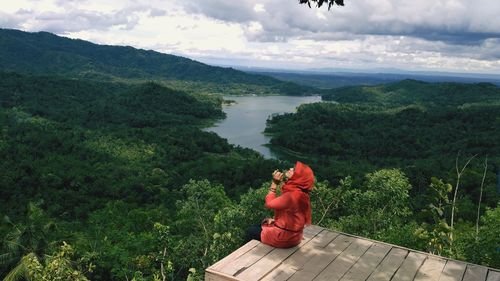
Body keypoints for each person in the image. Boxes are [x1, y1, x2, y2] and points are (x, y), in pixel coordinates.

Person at [245, 161, 314, 248]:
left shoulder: (292, 196)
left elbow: (269, 204)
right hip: (295, 237)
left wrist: (274, 184)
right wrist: (276, 221)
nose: (291, 169)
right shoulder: (303, 194)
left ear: (299, 177)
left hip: (283, 238)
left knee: (250, 231)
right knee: (259, 225)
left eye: (294, 170)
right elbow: (293, 216)